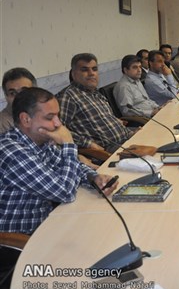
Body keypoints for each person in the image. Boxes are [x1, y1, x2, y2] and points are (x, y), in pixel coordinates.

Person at [0, 87, 118, 234]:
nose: (58, 124)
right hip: (18, 239)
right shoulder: (13, 152)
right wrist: (68, 143)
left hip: (46, 223)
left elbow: (72, 166)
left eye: (57, 116)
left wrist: (94, 178)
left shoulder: (41, 141)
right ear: (26, 119)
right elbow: (65, 192)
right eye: (50, 118)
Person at [57, 53, 134, 153]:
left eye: (94, 69)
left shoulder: (96, 93)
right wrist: (88, 144)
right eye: (84, 70)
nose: (91, 73)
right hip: (107, 150)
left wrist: (130, 133)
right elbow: (58, 130)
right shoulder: (67, 96)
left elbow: (110, 121)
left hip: (126, 139)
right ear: (73, 74)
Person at [1, 68, 37, 134]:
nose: (19, 97)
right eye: (12, 93)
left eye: (24, 91)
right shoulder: (3, 125)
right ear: (6, 97)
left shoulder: (41, 111)